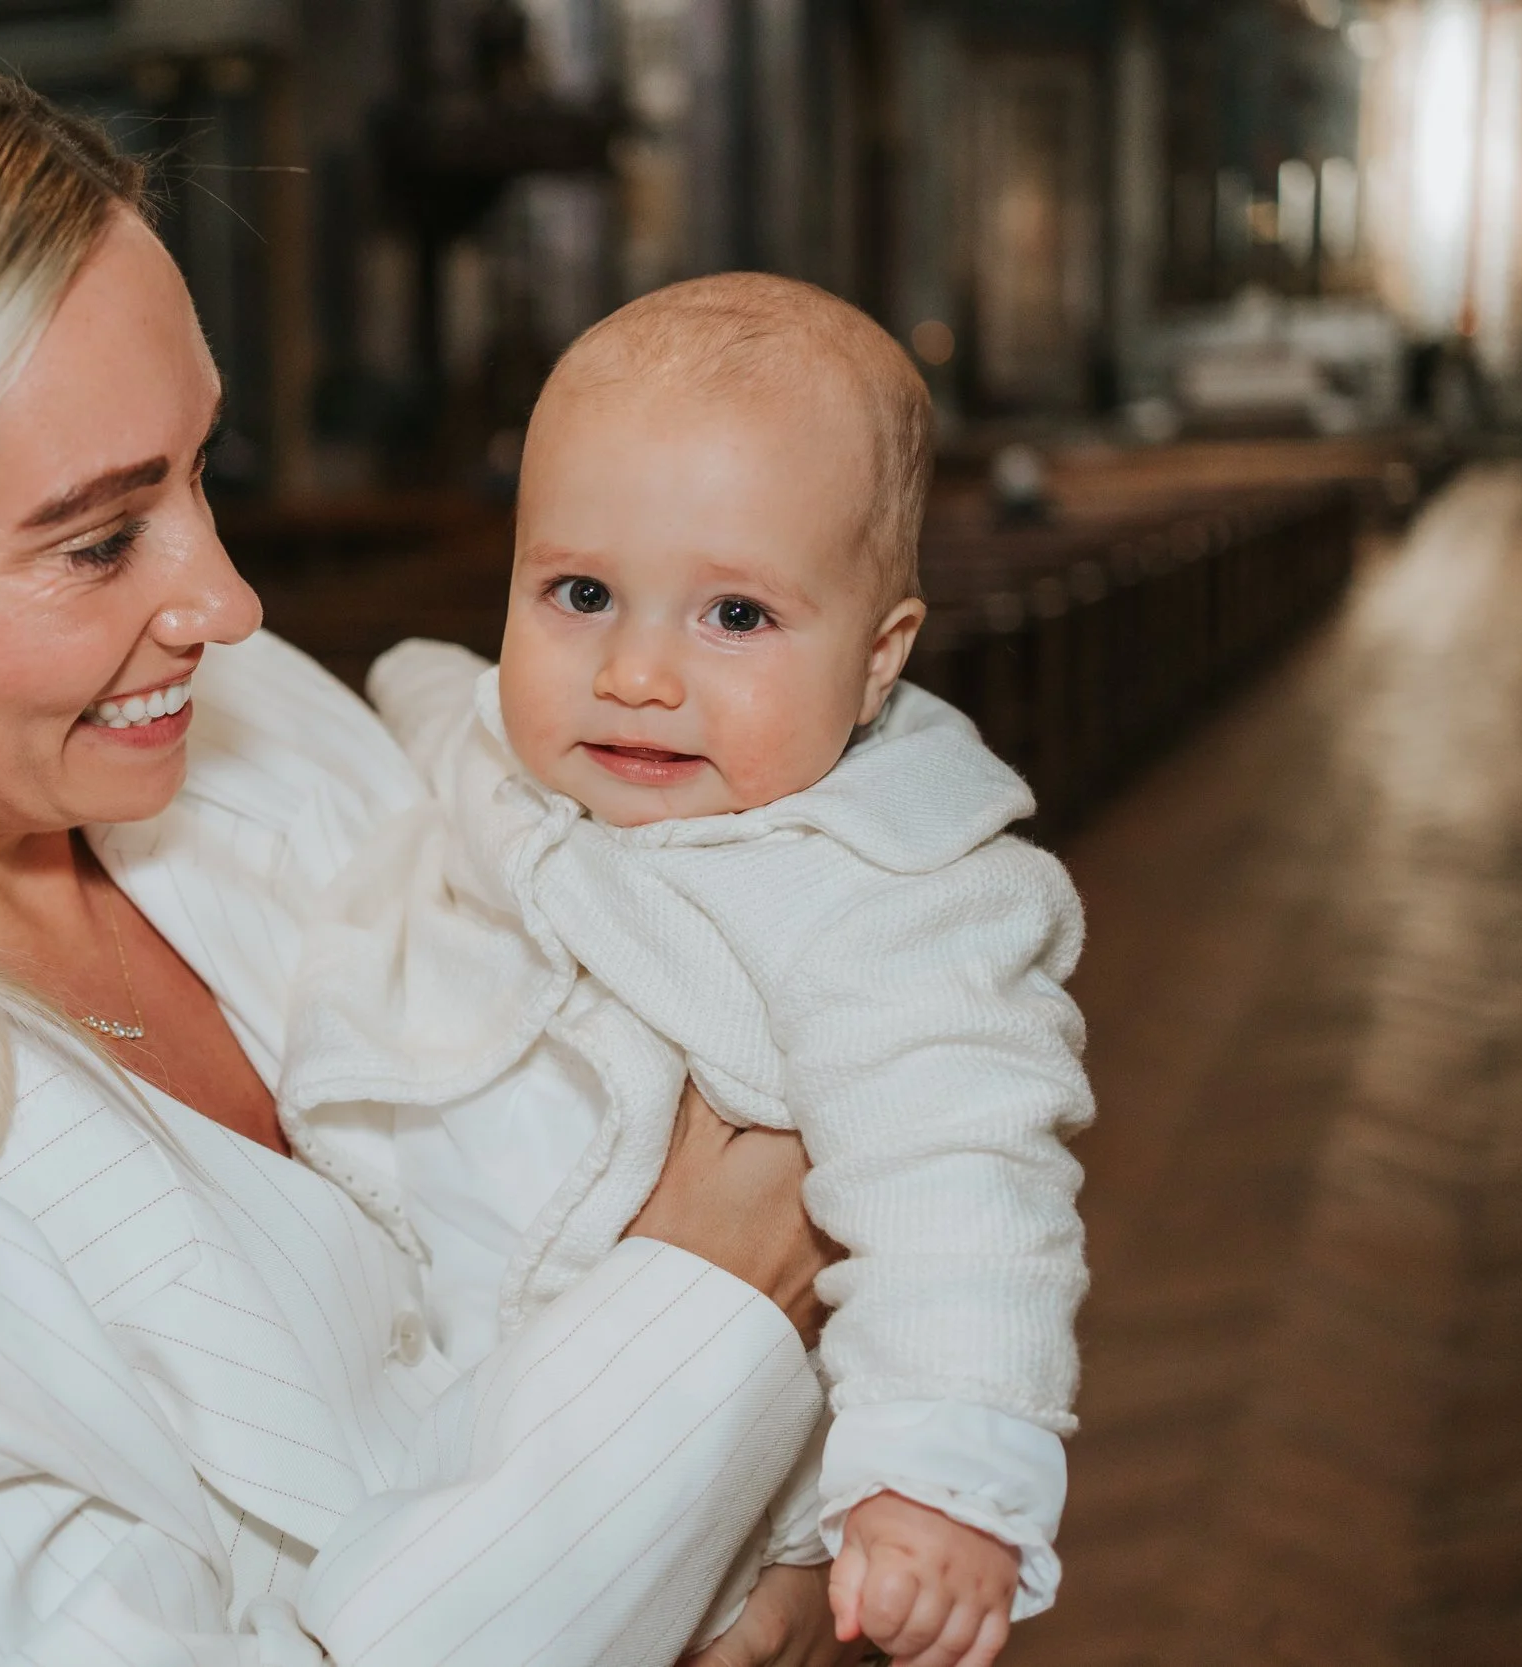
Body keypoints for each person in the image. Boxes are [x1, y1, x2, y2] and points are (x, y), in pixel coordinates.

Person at [0, 24, 846, 1667]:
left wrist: (805, 1555)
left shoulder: (262, 734)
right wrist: (712, 1309)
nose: (230, 604)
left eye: (203, 469)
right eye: (101, 537)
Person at [279, 275, 1096, 1667]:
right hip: (476, 1421)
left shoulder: (888, 896)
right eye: (583, 593)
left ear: (877, 659)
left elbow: (964, 1182)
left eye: (736, 616)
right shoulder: (521, 744)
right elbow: (447, 712)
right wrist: (396, 688)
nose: (641, 671)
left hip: (713, 1459)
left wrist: (947, 1471)